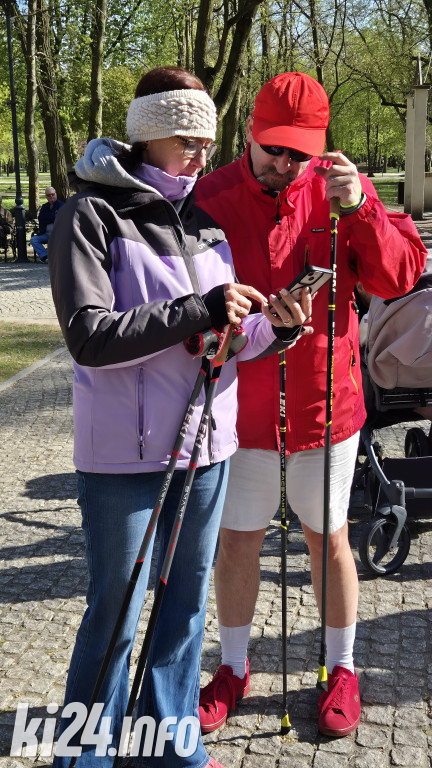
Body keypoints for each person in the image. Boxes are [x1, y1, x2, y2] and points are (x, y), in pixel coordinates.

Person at [48, 66, 313, 768]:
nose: (201, 154)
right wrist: (200, 309)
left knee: (185, 609)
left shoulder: (203, 223)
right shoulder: (90, 216)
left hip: (206, 449)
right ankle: (85, 756)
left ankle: (171, 745)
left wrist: (276, 328)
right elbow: (90, 336)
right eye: (186, 140)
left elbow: (224, 340)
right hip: (124, 457)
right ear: (149, 135)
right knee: (115, 614)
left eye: (206, 141)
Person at [195, 71, 427, 738]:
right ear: (248, 133)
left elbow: (399, 277)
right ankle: (232, 668)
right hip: (240, 408)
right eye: (273, 147)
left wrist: (362, 210)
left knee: (328, 537)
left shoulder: (343, 193)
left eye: (299, 152)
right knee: (237, 540)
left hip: (328, 407)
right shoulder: (210, 197)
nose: (284, 163)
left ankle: (341, 667)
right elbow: (183, 299)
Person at [30, 186, 64, 263]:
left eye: (53, 194)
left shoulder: (61, 205)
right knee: (34, 240)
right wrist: (52, 217)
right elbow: (40, 218)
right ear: (46, 197)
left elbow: (58, 217)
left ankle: (54, 257)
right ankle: (45, 256)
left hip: (58, 234)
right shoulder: (44, 206)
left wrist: (47, 217)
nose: (51, 196)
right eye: (49, 195)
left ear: (56, 194)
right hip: (46, 234)